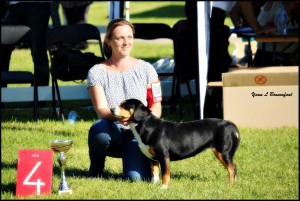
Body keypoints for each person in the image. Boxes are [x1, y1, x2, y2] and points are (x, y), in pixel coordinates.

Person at [87, 19, 162, 181]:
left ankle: (135, 161)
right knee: (98, 130)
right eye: (120, 38)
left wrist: (140, 121)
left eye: (129, 37)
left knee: (135, 179)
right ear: (109, 40)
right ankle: (96, 169)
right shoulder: (96, 72)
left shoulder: (147, 69)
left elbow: (156, 106)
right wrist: (123, 117)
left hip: (138, 135)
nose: (126, 42)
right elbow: (101, 110)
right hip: (112, 130)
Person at [1, 1, 51, 90]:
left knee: (38, 50)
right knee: (3, 49)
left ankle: (39, 97)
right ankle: (2, 94)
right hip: (14, 5)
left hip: (39, 4)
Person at [252, 1, 299, 67]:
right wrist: (266, 28)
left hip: (294, 53)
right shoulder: (272, 4)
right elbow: (259, 27)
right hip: (269, 53)